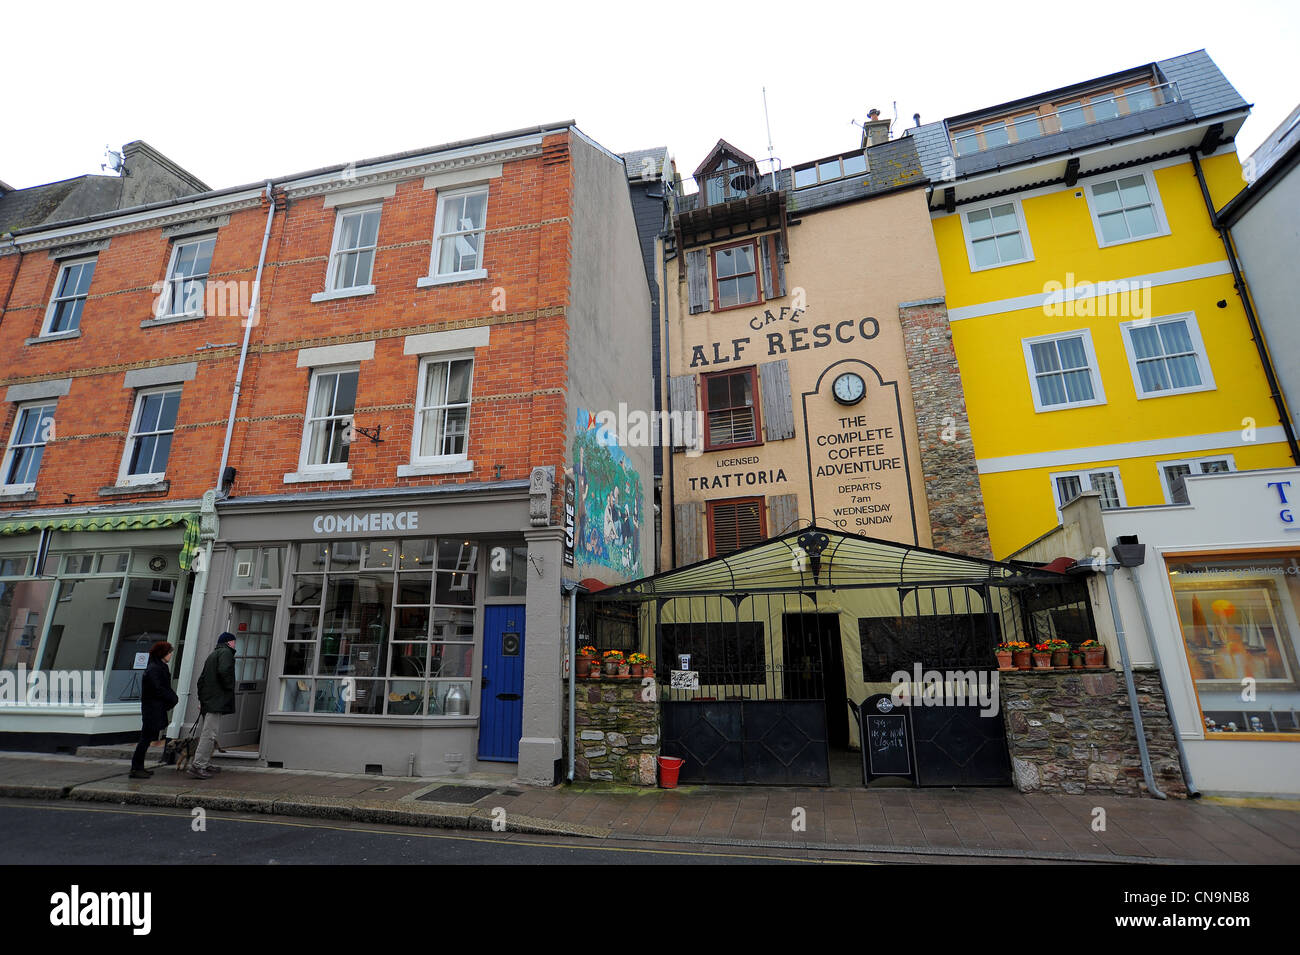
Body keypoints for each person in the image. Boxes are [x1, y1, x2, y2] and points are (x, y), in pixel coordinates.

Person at [189, 631, 237, 779]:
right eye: (234, 642)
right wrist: (229, 686)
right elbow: (224, 671)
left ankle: (205, 763)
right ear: (229, 642)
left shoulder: (212, 655)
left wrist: (202, 700)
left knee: (208, 733)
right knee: (209, 734)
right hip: (216, 701)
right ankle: (198, 765)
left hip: (209, 701)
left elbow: (201, 680)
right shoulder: (226, 653)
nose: (235, 644)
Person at [129, 641, 178, 779]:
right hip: (152, 709)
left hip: (154, 707)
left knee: (147, 739)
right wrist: (172, 698)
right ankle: (136, 768)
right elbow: (158, 689)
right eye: (169, 652)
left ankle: (138, 767)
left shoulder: (158, 667)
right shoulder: (154, 669)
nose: (171, 654)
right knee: (145, 739)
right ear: (162, 653)